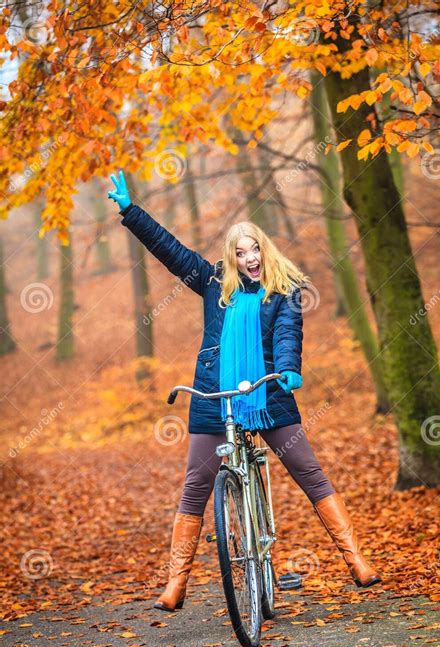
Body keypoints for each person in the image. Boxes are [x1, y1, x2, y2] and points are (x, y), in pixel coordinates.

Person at [108, 170, 382, 612]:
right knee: (197, 482)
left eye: (254, 248)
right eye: (240, 252)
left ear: (264, 249)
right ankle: (176, 583)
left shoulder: (285, 290)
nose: (250, 257)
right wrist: (131, 211)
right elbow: (169, 249)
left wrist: (289, 370)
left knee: (308, 472)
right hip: (215, 398)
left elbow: (288, 336)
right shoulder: (212, 282)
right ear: (231, 258)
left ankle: (356, 560)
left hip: (268, 395)